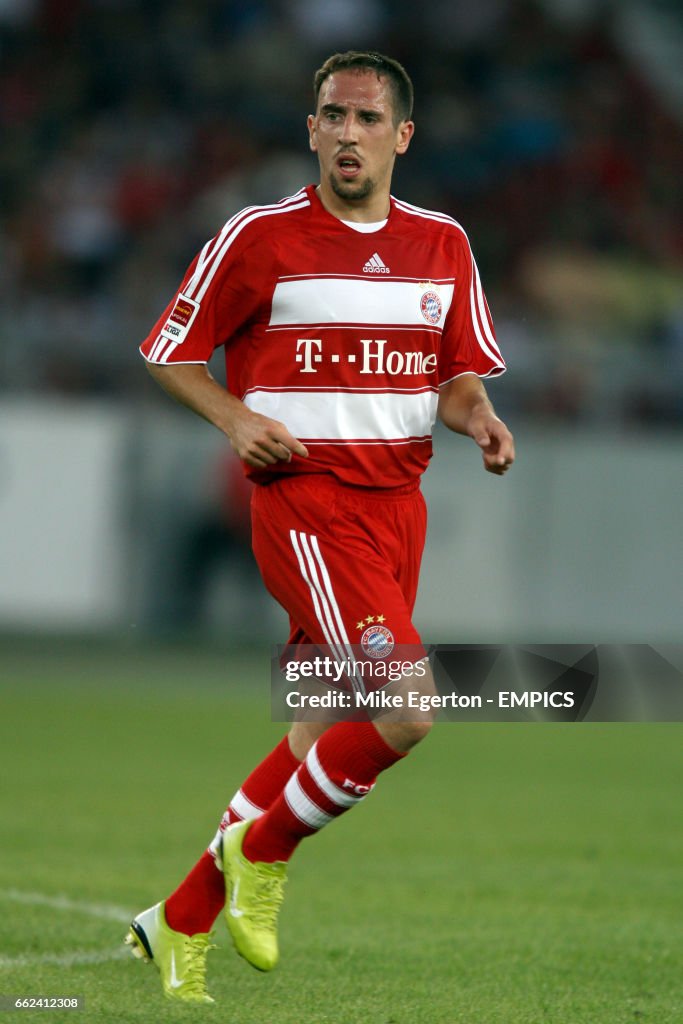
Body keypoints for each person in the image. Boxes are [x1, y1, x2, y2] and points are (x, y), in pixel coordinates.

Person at [125, 50, 515, 1005]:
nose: (348, 133)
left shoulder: (443, 244)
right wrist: (236, 418)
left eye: (367, 119)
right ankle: (259, 854)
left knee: (315, 732)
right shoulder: (257, 236)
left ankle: (176, 920)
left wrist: (480, 420)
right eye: (332, 116)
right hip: (309, 505)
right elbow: (170, 353)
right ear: (311, 129)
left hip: (398, 512)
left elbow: (454, 374)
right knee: (407, 707)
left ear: (401, 137)